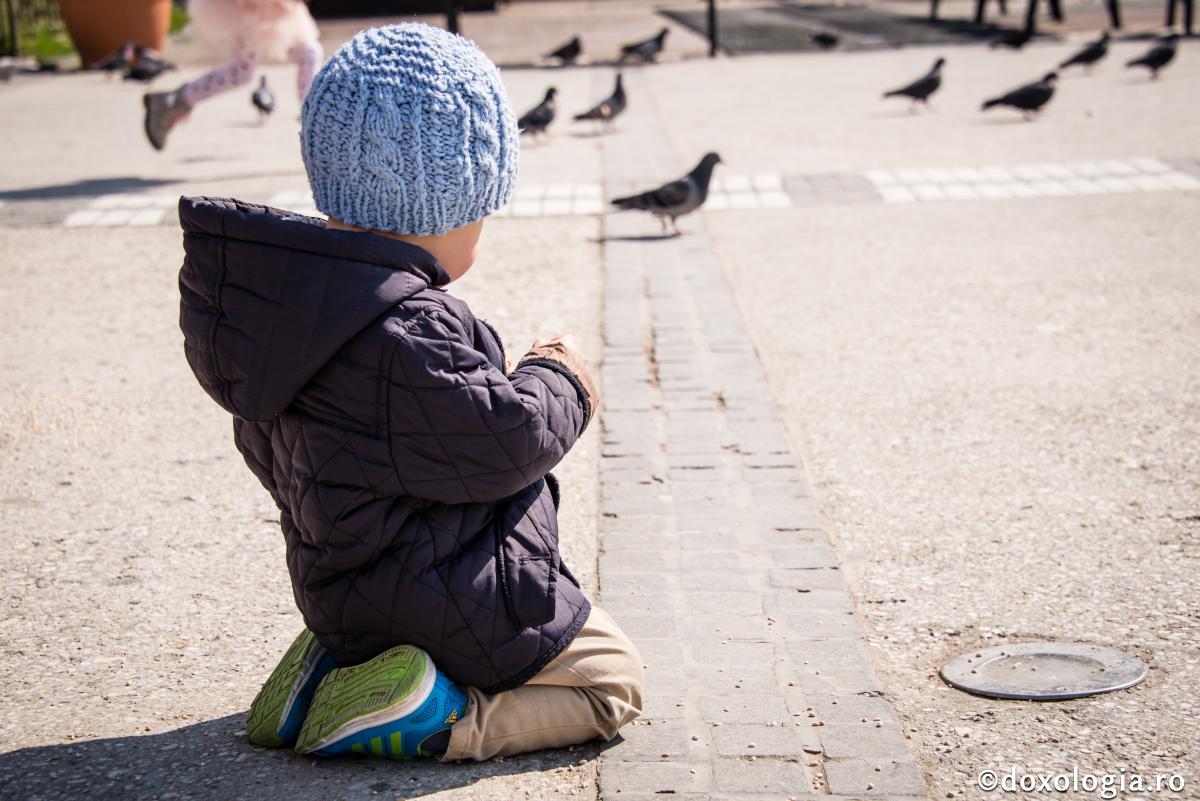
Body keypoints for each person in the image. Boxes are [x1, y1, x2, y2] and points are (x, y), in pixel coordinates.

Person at [176, 23, 643, 762]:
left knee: (400, 600)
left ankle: (336, 668)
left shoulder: (288, 316)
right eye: (481, 212)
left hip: (339, 591)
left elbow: (278, 457)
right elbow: (505, 441)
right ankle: (437, 716)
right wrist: (561, 375)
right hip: (444, 600)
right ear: (446, 208)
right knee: (612, 679)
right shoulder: (407, 329)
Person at [143, 0, 323, 150]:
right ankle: (174, 100)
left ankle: (315, 126)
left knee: (309, 53)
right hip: (250, 8)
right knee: (239, 72)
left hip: (280, 7)